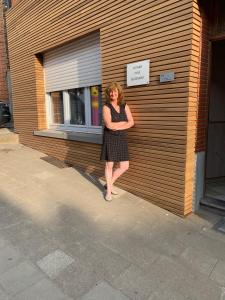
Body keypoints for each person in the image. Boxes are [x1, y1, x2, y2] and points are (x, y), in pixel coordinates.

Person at [100, 82, 134, 201]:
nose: (112, 93)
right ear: (108, 94)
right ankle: (108, 191)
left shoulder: (124, 106)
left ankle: (109, 183)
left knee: (125, 166)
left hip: (121, 138)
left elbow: (131, 122)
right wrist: (123, 123)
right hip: (110, 138)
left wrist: (118, 126)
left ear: (119, 92)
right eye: (110, 91)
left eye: (114, 91)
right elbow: (109, 125)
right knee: (109, 165)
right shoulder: (106, 107)